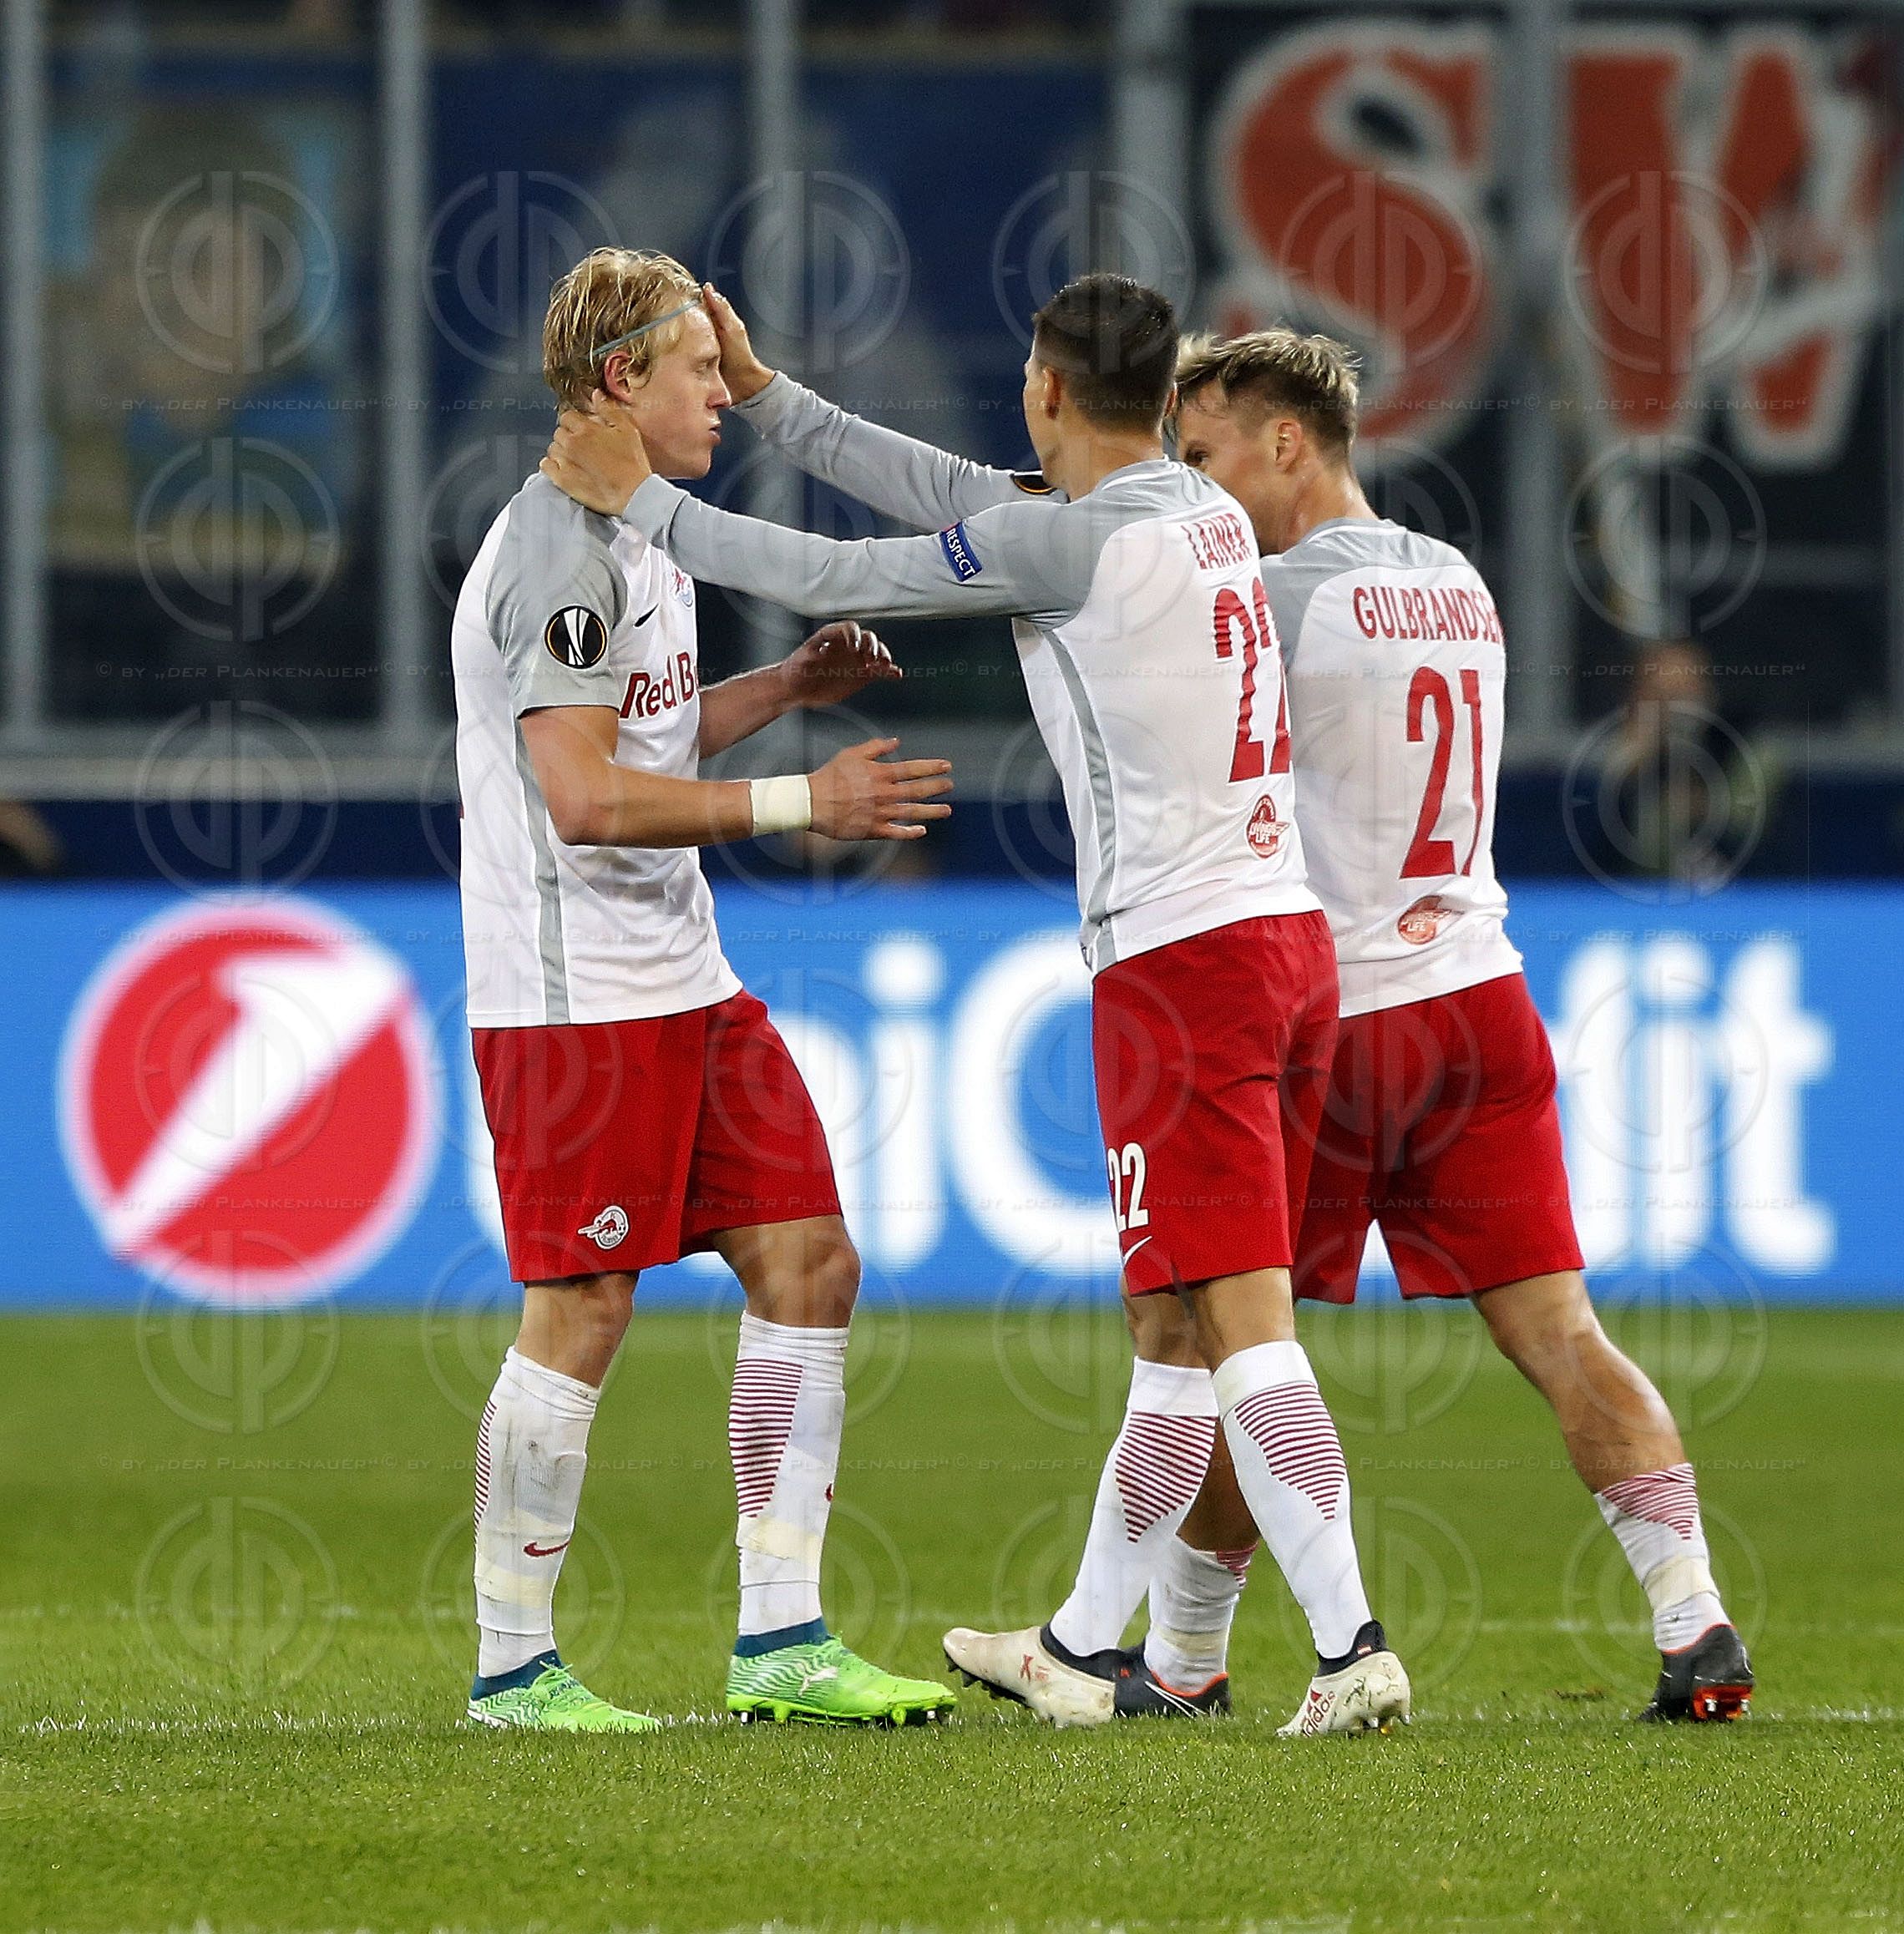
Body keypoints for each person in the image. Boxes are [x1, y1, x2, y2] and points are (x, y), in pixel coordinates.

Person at [539, 272, 1411, 1736]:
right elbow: (943, 489)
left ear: (1047, 390)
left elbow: (832, 573)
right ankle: (1076, 1648)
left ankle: (1350, 1646)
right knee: (1172, 1325)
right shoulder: (1192, 509)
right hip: (1287, 944)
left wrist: (637, 502)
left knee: (1241, 1319)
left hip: (1183, 966)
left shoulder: (1057, 541)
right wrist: (766, 395)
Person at [1069, 328, 1750, 1725]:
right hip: (1482, 1001)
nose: (1193, 491)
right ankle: (1696, 1624)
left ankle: (1185, 1660)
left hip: (1337, 1019)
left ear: (1286, 443)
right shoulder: (1459, 584)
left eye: (1203, 457)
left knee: (1234, 1341)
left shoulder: (1269, 597)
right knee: (1561, 1332)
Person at [453, 246, 958, 1731]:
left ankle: (782, 1640)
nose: (722, 400)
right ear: (622, 380)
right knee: (584, 1304)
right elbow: (585, 798)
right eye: (697, 373)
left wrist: (783, 691)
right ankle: (512, 1667)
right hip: (576, 1002)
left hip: (685, 979)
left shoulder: (645, 537)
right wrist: (808, 800)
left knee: (810, 1260)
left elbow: (649, 738)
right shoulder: (559, 555)